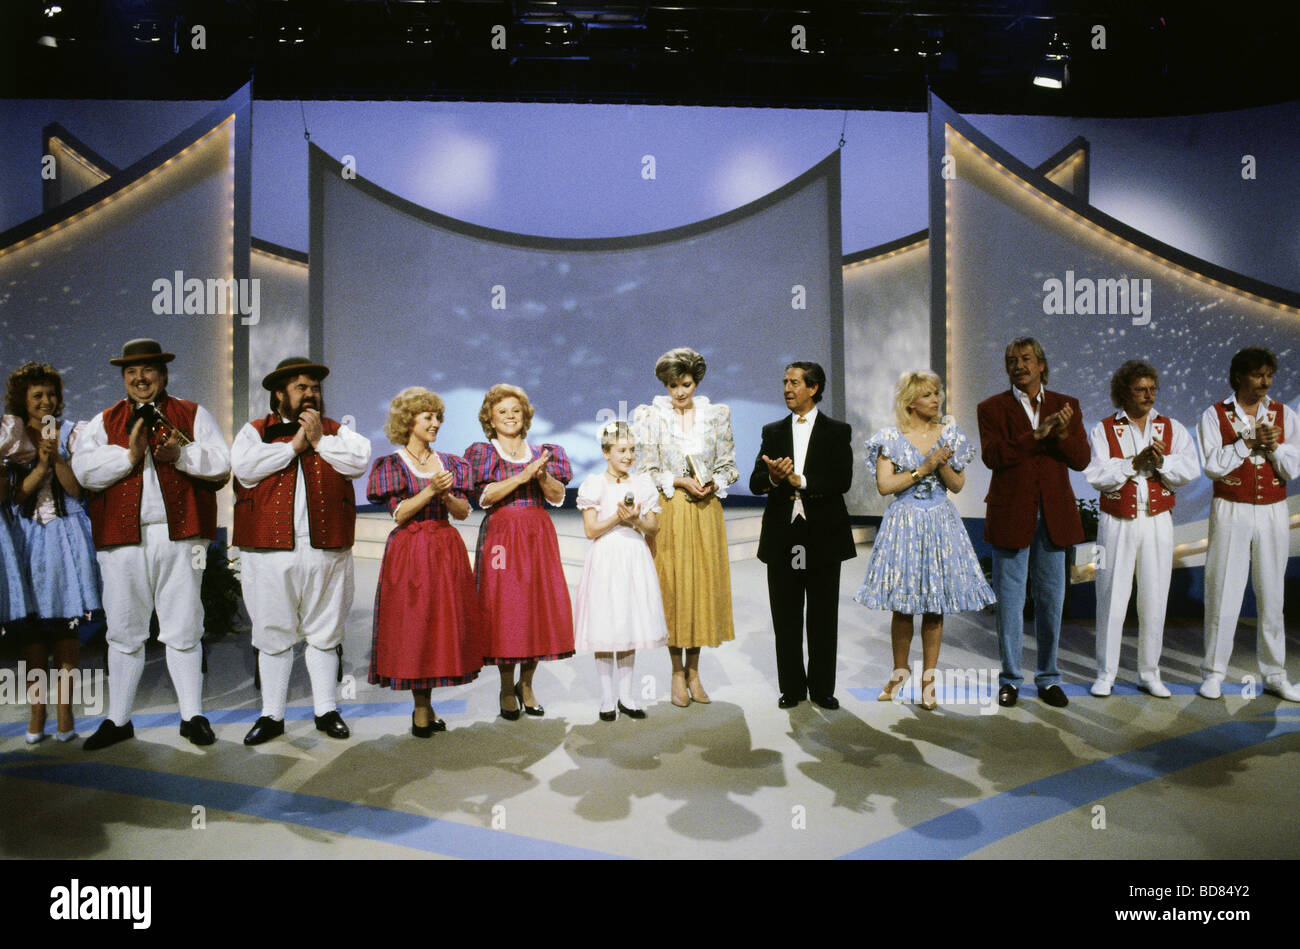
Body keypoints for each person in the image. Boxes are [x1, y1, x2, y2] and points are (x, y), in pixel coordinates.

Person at [71, 338, 231, 749]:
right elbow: (84, 472)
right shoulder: (102, 421)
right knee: (124, 630)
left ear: (163, 374)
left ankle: (192, 715)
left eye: (148, 370)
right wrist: (129, 455)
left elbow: (220, 465)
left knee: (183, 627)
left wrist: (181, 456)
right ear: (124, 378)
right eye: (131, 372)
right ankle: (119, 719)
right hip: (122, 541)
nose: (140, 378)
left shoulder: (192, 414)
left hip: (181, 535)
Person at [232, 357, 372, 745]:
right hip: (268, 552)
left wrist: (319, 442)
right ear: (279, 394)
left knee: (325, 633)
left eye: (315, 387)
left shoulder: (335, 432)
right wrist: (295, 446)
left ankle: (326, 710)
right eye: (301, 387)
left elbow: (358, 460)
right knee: (273, 633)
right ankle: (271, 716)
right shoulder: (255, 432)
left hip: (327, 550)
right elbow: (244, 468)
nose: (311, 394)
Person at [853, 371, 994, 710]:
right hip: (904, 522)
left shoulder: (950, 434)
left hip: (940, 522)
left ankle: (929, 681)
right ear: (911, 402)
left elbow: (957, 485)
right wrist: (925, 465)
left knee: (935, 604)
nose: (936, 400)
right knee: (903, 606)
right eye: (929, 395)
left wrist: (941, 461)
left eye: (937, 394)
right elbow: (886, 486)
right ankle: (898, 674)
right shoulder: (890, 437)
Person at [977, 337, 1089, 708]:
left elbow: (1081, 460)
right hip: (1012, 515)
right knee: (1010, 601)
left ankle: (1048, 678)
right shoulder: (991, 408)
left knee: (1051, 601)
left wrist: (1062, 433)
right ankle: (1010, 679)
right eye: (1011, 360)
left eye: (1025, 359)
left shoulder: (1066, 406)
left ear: (1041, 364)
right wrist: (1036, 435)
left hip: (1054, 517)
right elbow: (993, 456)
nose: (1018, 365)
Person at [367, 387, 483, 737]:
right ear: (409, 421)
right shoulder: (392, 465)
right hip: (410, 551)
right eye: (427, 417)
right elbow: (399, 514)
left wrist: (445, 493)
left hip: (445, 548)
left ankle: (426, 705)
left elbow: (463, 512)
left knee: (439, 627)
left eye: (437, 417)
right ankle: (420, 707)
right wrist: (430, 490)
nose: (435, 424)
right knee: (415, 627)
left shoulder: (451, 463)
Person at [1084, 360, 1199, 698]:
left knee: (1154, 597)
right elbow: (1097, 477)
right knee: (1111, 597)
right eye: (1140, 390)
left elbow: (1189, 469)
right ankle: (1106, 673)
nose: (1149, 395)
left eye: (1152, 389)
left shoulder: (1172, 427)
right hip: (1116, 522)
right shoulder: (1104, 429)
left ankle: (1149, 673)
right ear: (1124, 393)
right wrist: (1134, 464)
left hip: (1158, 521)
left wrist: (1161, 461)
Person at [631, 347, 738, 707]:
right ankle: (676, 671)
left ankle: (695, 670)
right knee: (675, 590)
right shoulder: (650, 417)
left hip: (707, 509)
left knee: (702, 589)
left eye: (686, 384)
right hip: (671, 509)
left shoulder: (716, 415)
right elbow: (644, 469)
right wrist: (678, 481)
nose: (679, 392)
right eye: (673, 385)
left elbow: (729, 465)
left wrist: (713, 483)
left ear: (697, 382)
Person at [5, 363, 102, 743]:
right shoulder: (12, 438)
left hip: (65, 535)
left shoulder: (72, 433)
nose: (45, 401)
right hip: (27, 537)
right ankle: (36, 714)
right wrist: (39, 464)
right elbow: (16, 496)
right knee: (33, 633)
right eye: (36, 395)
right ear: (23, 401)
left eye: (50, 394)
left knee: (65, 628)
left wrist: (57, 459)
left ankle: (65, 716)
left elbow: (77, 490)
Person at [749, 361, 854, 710]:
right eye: (784, 382)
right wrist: (776, 479)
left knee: (823, 615)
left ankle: (823, 688)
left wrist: (801, 481)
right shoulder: (773, 431)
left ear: (813, 387)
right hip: (783, 536)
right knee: (786, 614)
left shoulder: (838, 431)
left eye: (794, 382)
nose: (786, 388)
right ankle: (792, 688)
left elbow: (842, 481)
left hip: (822, 535)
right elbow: (755, 482)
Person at [464, 384, 574, 719]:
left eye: (516, 410)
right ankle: (505, 685)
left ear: (525, 415)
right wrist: (522, 475)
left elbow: (557, 497)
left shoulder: (544, 452)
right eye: (502, 412)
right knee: (506, 610)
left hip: (537, 534)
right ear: (491, 420)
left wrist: (540, 477)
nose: (510, 417)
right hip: (501, 536)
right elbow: (485, 497)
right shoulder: (484, 453)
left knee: (536, 608)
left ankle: (527, 685)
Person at [1197, 347, 1300, 701]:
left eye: (1269, 375)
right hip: (1231, 507)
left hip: (1272, 509)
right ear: (1239, 375)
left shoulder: (1284, 414)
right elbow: (1212, 466)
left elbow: (1293, 468)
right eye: (1258, 375)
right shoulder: (1214, 415)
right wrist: (1247, 442)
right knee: (1223, 591)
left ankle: (1275, 673)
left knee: (1272, 594)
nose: (1265, 382)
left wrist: (1274, 448)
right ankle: (1213, 672)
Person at [575, 421, 668, 721]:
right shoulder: (594, 484)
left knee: (628, 622)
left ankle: (627, 695)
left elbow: (653, 527)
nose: (628, 456)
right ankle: (606, 697)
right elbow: (591, 530)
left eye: (631, 450)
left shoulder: (642, 484)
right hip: (606, 557)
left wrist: (636, 520)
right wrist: (617, 516)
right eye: (621, 450)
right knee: (606, 623)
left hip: (633, 555)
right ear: (606, 452)